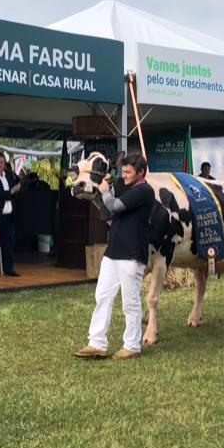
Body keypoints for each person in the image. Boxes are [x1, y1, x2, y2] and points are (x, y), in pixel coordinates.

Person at [75, 153, 155, 360]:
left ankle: (132, 345)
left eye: (128, 172)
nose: (124, 175)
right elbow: (107, 213)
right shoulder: (124, 186)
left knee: (130, 301)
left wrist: (104, 192)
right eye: (123, 171)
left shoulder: (145, 191)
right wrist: (102, 192)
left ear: (141, 173)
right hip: (113, 252)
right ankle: (97, 343)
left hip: (131, 253)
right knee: (102, 296)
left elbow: (115, 206)